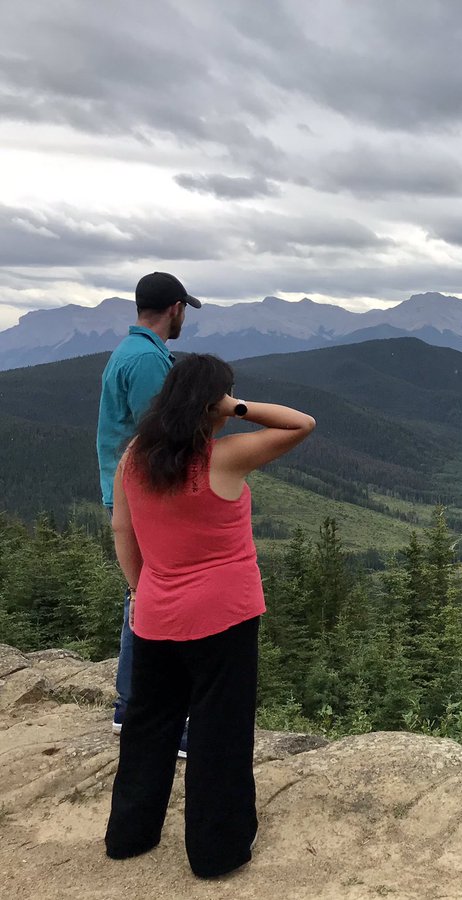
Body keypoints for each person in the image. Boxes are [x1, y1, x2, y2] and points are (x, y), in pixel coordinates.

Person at [104, 353, 316, 878]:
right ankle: (216, 852)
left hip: (155, 613)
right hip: (225, 615)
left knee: (148, 726)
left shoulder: (134, 456)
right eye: (224, 396)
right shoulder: (222, 458)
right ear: (212, 403)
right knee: (219, 730)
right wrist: (236, 406)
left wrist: (142, 589)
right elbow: (301, 423)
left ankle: (129, 835)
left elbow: (122, 532)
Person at [97, 272, 201, 736]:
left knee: (145, 590)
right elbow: (160, 436)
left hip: (133, 491)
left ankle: (132, 707)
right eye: (185, 311)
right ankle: (149, 712)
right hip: (143, 494)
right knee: (155, 592)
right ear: (176, 308)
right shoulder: (145, 361)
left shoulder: (138, 352)